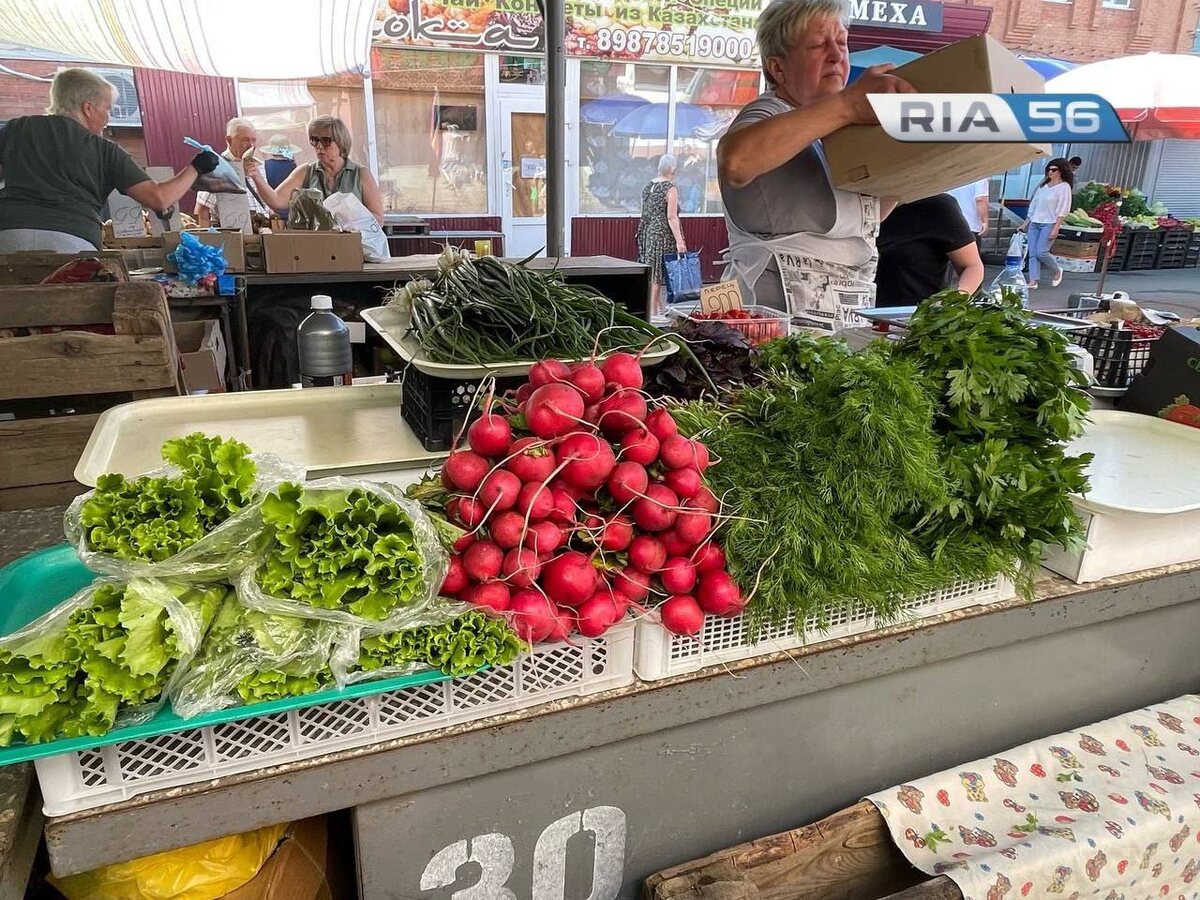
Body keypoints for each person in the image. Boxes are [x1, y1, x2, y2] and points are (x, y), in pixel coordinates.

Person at [716, 0, 913, 318]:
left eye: (842, 42)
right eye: (819, 45)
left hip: (843, 322)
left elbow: (868, 217)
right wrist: (848, 104)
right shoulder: (768, 111)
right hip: (766, 333)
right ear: (778, 68)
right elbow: (736, 162)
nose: (837, 55)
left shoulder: (838, 131)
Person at [0, 68, 219, 251]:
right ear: (88, 108)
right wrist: (197, 166)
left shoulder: (15, 129)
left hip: (8, 233)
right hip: (73, 239)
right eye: (107, 109)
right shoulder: (104, 149)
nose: (108, 118)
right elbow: (159, 198)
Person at [246, 116, 384, 225]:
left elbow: (378, 218)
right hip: (315, 249)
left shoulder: (361, 174)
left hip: (353, 249)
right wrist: (256, 176)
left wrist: (352, 223)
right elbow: (276, 201)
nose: (319, 146)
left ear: (341, 141)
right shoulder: (305, 172)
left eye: (325, 141)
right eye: (314, 140)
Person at [874, 194, 985, 307]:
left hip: (912, 317)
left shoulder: (937, 206)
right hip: (860, 315)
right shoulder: (858, 204)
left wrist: (949, 303)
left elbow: (972, 266)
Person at [635, 154, 688, 317]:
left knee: (651, 270)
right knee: (657, 274)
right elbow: (671, 216)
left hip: (647, 232)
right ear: (673, 169)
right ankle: (651, 313)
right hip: (662, 233)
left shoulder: (648, 186)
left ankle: (660, 308)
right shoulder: (670, 188)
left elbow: (646, 212)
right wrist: (680, 241)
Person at [194, 117, 269, 227]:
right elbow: (202, 211)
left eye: (253, 140)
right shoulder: (215, 168)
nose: (251, 145)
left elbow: (267, 202)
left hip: (263, 230)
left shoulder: (259, 166)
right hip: (233, 234)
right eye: (245, 140)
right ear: (229, 140)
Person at [1019, 157, 1074, 289]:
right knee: (1032, 253)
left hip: (1049, 223)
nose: (1050, 172)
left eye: (1054, 170)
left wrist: (1056, 228)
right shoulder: (1043, 186)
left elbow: (1063, 209)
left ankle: (1056, 269)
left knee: (1041, 252)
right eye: (1048, 169)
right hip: (1035, 222)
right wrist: (1025, 223)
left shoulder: (1064, 187)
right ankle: (1033, 281)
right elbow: (1034, 205)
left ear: (1061, 171)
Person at [947, 178, 990, 245]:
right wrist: (985, 222)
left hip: (951, 225)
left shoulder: (952, 175)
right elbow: (980, 199)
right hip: (971, 226)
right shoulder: (981, 177)